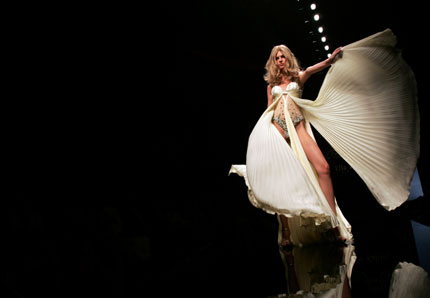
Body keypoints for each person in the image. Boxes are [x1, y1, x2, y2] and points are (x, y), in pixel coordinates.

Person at [230, 29, 420, 248]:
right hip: (278, 130)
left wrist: (330, 60)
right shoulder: (270, 87)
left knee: (323, 168)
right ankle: (286, 234)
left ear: (288, 58)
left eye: (283, 56)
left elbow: (313, 68)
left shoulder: (297, 78)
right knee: (279, 178)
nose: (280, 60)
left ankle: (333, 224)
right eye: (276, 57)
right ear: (273, 62)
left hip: (298, 125)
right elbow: (269, 111)